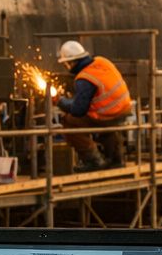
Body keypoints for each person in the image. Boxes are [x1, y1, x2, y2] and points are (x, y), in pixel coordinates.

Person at [53, 40, 133, 172]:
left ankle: (93, 160)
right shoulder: (102, 62)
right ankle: (116, 160)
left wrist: (61, 101)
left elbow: (78, 110)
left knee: (69, 122)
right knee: (105, 127)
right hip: (123, 109)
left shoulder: (84, 78)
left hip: (108, 114)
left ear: (71, 62)